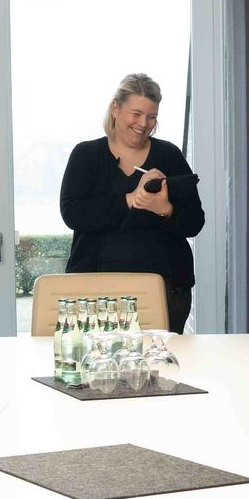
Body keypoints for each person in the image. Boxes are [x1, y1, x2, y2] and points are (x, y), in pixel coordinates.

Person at [59, 73, 205, 333]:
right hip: (95, 292)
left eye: (151, 117)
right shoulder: (86, 155)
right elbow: (73, 213)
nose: (143, 124)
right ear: (115, 108)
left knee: (160, 367)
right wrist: (131, 199)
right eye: (136, 114)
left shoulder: (169, 155)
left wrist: (164, 210)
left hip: (166, 290)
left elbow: (194, 221)